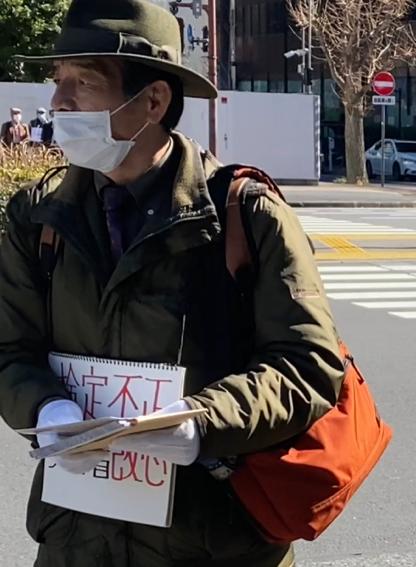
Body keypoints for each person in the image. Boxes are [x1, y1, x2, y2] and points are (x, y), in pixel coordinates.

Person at [0, 1, 345, 565]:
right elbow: (9, 350)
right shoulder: (38, 217)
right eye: (56, 79)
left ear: (153, 101)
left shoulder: (243, 212)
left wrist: (202, 424)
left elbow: (309, 366)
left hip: (212, 542)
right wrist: (44, 409)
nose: (58, 101)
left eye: (82, 82)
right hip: (77, 540)